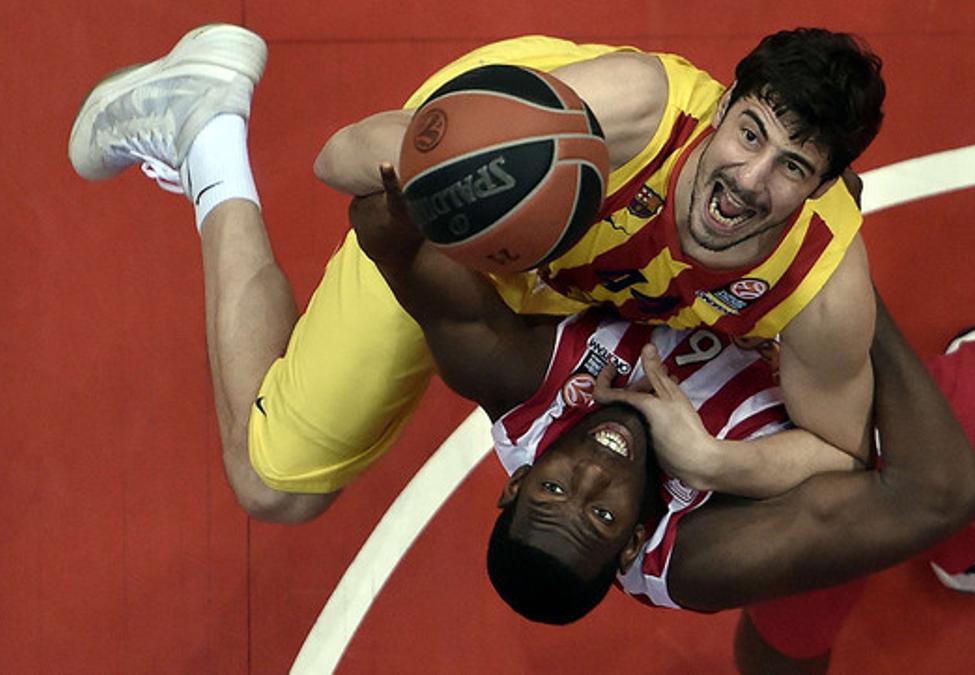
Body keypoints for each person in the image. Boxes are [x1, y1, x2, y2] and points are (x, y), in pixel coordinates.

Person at [69, 23, 884, 522]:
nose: (750, 179)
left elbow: (839, 450)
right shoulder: (627, 114)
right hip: (492, 184)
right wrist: (458, 187)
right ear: (724, 103)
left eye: (790, 166)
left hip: (576, 278)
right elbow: (341, 157)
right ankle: (205, 122)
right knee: (273, 484)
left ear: (821, 186)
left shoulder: (822, 284)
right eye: (749, 134)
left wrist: (712, 463)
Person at [347, 167, 975, 672]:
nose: (593, 470)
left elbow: (395, 246)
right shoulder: (699, 555)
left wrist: (415, 215)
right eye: (603, 510)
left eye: (551, 490)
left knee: (796, 621)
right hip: (857, 453)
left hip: (793, 404)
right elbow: (935, 492)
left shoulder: (510, 384)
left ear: (515, 486)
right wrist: (832, 271)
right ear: (636, 536)